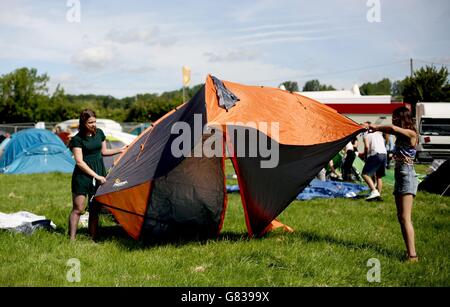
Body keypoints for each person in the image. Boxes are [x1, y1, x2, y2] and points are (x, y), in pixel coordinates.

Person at [366, 107, 419, 262]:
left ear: (403, 118)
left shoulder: (411, 134)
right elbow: (393, 129)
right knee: (401, 217)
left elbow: (392, 128)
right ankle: (409, 253)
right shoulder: (401, 136)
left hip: (407, 176)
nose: (394, 120)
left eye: (396, 118)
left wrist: (376, 127)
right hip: (400, 176)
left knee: (405, 217)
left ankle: (413, 256)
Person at [68, 109, 125, 241]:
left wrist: (120, 150)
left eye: (94, 121)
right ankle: (71, 239)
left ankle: (93, 238)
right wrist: (96, 176)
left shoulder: (99, 133)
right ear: (83, 123)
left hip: (99, 173)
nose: (93, 124)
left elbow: (104, 152)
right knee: (79, 209)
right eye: (90, 122)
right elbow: (80, 162)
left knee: (94, 209)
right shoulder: (77, 139)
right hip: (82, 176)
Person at [362, 122, 387, 200]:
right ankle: (378, 195)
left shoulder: (366, 134)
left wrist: (365, 157)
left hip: (375, 154)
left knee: (365, 174)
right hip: (384, 154)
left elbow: (366, 146)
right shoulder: (378, 134)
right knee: (379, 176)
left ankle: (374, 191)